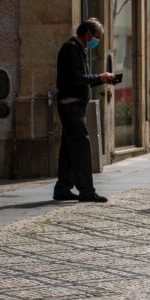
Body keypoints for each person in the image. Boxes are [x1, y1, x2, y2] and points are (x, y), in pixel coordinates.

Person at [53, 18, 114, 203]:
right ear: (87, 33)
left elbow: (82, 78)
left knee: (69, 148)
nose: (97, 41)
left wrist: (101, 79)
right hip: (70, 104)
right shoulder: (71, 49)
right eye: (96, 37)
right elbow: (78, 78)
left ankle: (63, 188)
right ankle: (86, 190)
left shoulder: (78, 49)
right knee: (81, 147)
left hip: (73, 105)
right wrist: (99, 77)